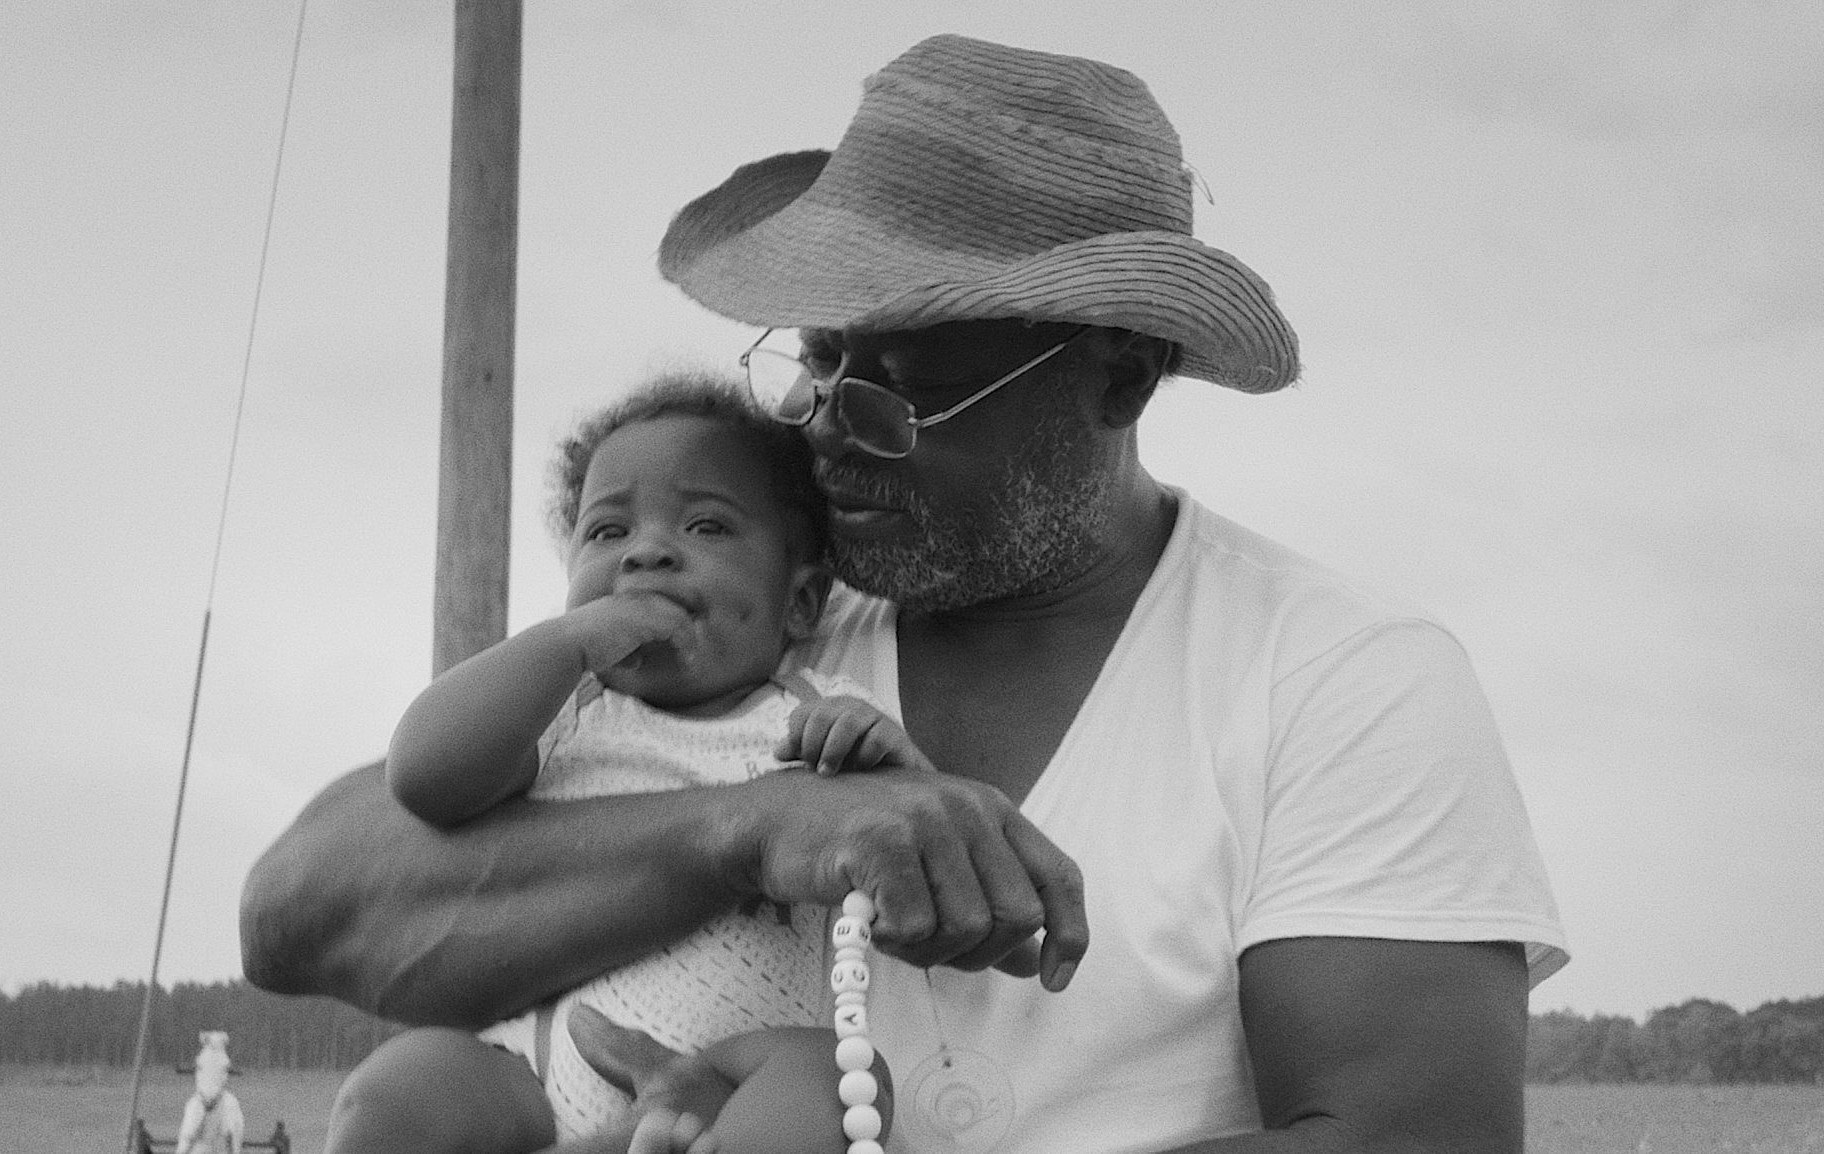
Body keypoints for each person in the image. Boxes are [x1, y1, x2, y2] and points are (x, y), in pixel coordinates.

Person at [246, 33, 1567, 1154]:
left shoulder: (1338, 676)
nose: (826, 426)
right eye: (821, 360)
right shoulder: (754, 616)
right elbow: (306, 908)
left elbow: (1414, 1135)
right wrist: (756, 829)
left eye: (908, 379)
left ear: (1121, 372)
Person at [341, 375, 909, 1153]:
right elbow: (425, 774)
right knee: (398, 1088)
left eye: (707, 526)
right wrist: (566, 644)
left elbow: (917, 845)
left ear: (802, 603)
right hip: (541, 1074)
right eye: (607, 533)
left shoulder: (817, 713)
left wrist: (882, 760)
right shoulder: (564, 717)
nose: (647, 551)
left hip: (735, 1076)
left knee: (838, 1081)